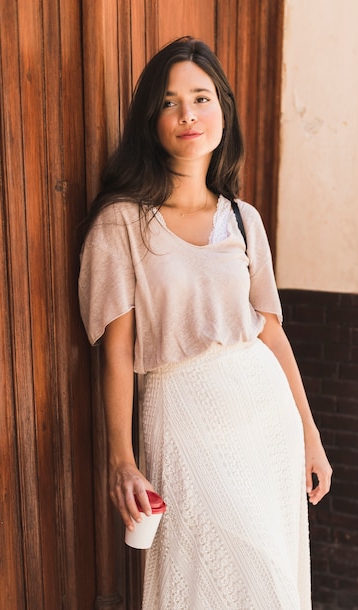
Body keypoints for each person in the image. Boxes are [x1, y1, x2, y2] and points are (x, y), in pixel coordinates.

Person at [78, 36, 332, 609]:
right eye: (170, 102)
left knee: (273, 580)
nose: (188, 114)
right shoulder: (121, 224)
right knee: (235, 579)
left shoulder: (244, 220)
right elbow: (117, 353)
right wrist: (122, 459)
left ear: (223, 109)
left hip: (265, 419)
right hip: (180, 412)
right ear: (151, 119)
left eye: (201, 97)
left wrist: (310, 436)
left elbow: (270, 331)